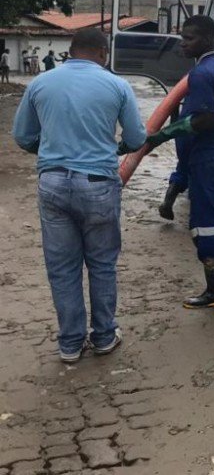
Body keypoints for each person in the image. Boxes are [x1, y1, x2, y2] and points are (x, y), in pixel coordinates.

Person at [12, 28, 146, 363]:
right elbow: (136, 136)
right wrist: (118, 148)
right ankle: (103, 336)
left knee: (62, 267)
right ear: (103, 52)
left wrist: (51, 154)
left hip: (53, 184)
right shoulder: (117, 85)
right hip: (99, 182)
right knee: (101, 264)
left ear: (70, 51)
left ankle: (70, 344)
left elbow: (22, 136)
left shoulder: (41, 83)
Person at [145, 19, 214, 308]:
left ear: (207, 39)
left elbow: (205, 119)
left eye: (189, 38)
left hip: (212, 158)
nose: (183, 43)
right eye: (182, 37)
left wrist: (163, 134)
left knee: (205, 223)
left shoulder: (201, 73)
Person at [158, 41, 214, 221]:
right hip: (202, 130)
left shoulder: (192, 75)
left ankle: (168, 200)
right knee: (203, 170)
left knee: (183, 165)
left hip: (184, 128)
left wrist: (174, 126)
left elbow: (172, 101)